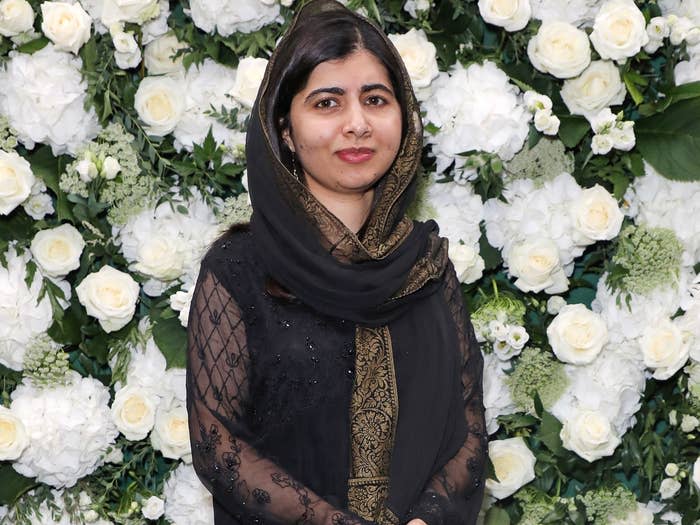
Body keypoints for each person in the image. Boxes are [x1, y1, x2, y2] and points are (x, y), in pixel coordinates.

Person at [186, 1, 487, 524]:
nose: (357, 125)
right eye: (327, 104)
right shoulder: (239, 270)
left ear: (404, 117)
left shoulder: (426, 267)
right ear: (284, 129)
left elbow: (467, 430)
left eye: (376, 100)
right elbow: (217, 444)